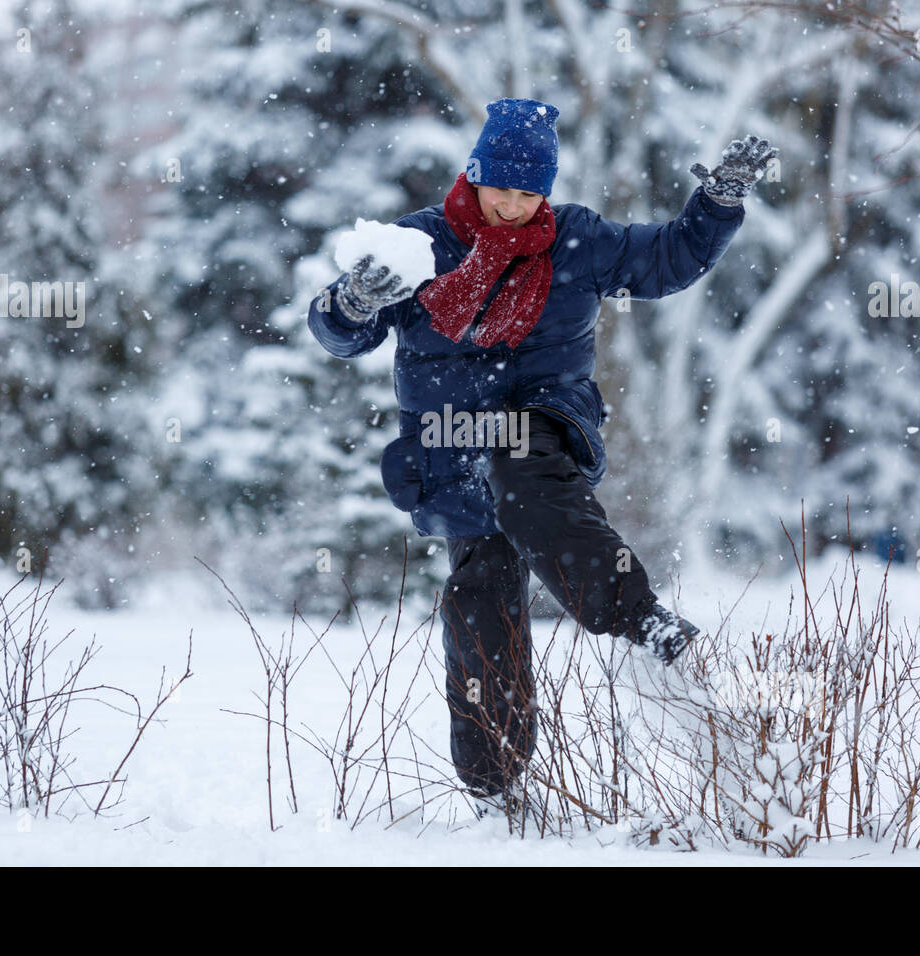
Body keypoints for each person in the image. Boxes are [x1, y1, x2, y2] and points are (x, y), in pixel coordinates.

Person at [307, 97, 776, 812]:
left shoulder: (575, 241)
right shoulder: (420, 247)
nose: (514, 205)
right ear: (475, 173)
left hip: (548, 424)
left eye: (530, 192)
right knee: (479, 602)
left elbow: (668, 261)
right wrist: (353, 304)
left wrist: (717, 201)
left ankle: (642, 617)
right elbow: (341, 335)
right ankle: (498, 786)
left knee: (519, 467)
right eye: (502, 188)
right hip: (453, 447)